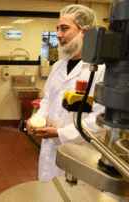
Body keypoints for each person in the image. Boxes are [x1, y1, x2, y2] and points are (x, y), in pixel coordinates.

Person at [26, 4, 106, 181]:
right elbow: (47, 101)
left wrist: (61, 133)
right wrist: (37, 119)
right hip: (50, 150)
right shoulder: (58, 66)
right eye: (57, 29)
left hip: (80, 152)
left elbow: (100, 120)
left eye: (64, 28)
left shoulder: (100, 70)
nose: (58, 34)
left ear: (85, 31)